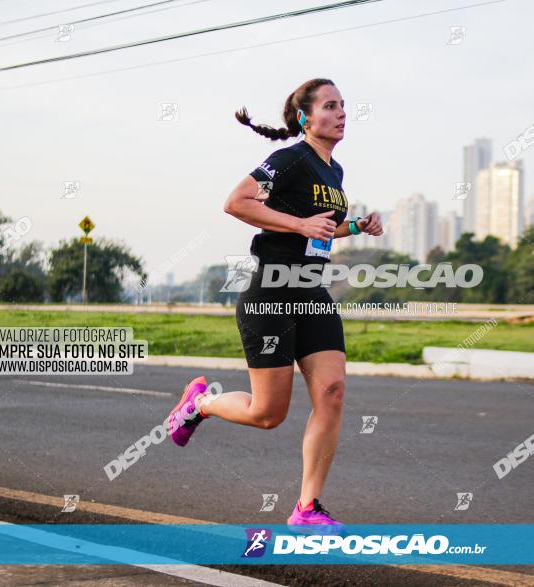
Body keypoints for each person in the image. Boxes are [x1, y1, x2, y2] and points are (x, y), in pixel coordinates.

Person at [165, 78, 383, 534]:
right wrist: (300, 223)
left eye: (344, 105)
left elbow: (321, 229)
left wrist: (357, 225)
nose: (342, 113)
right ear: (305, 117)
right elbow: (236, 202)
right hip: (271, 292)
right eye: (330, 106)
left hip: (312, 293)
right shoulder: (290, 159)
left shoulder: (333, 172)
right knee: (269, 414)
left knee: (333, 391)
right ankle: (200, 404)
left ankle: (307, 509)